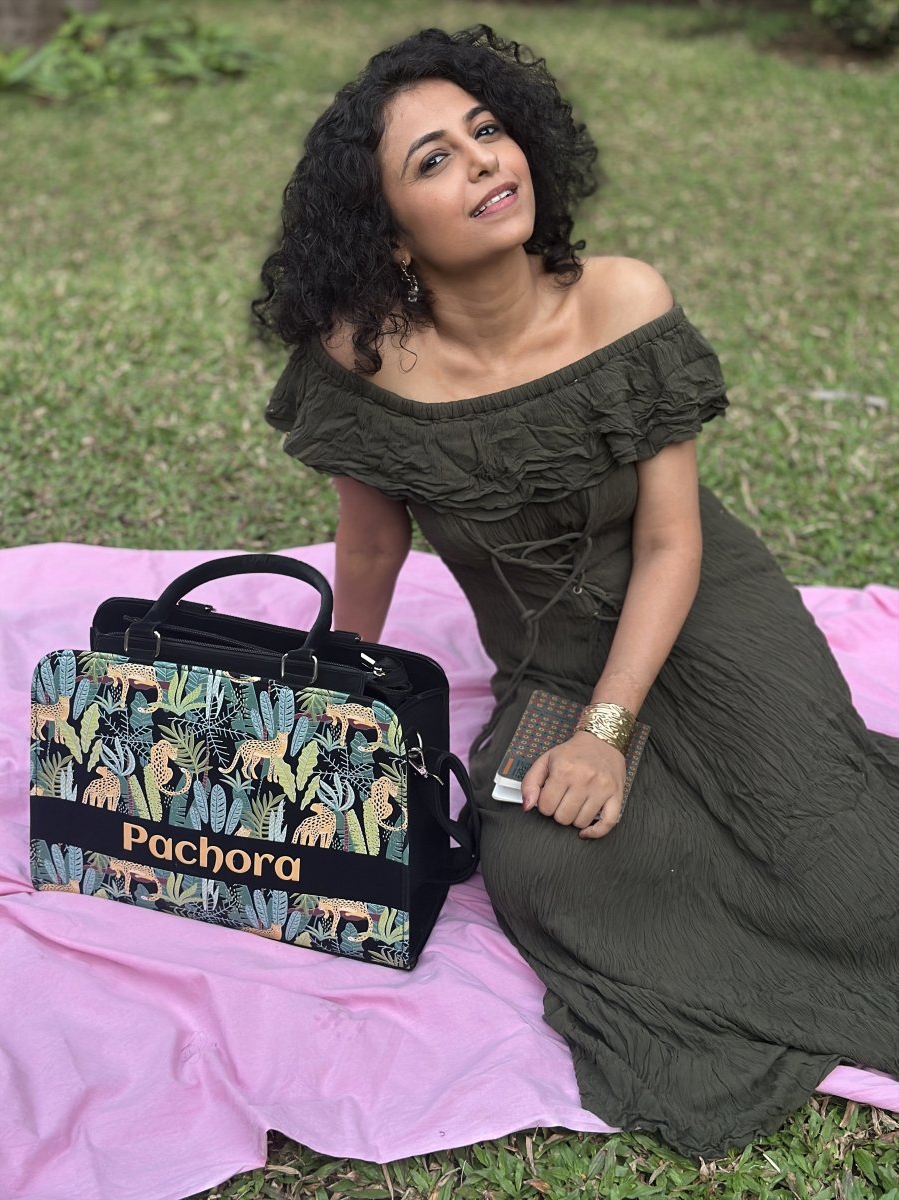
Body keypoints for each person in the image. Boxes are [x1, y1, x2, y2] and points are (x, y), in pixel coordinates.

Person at [257, 26, 899, 1157]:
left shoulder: (622, 301)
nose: (484, 161)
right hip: (548, 659)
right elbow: (370, 546)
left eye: (487, 132)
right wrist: (334, 693)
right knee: (543, 873)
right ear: (390, 235)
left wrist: (607, 734)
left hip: (705, 615)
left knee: (845, 879)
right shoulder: (360, 358)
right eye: (435, 160)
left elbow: (669, 542)